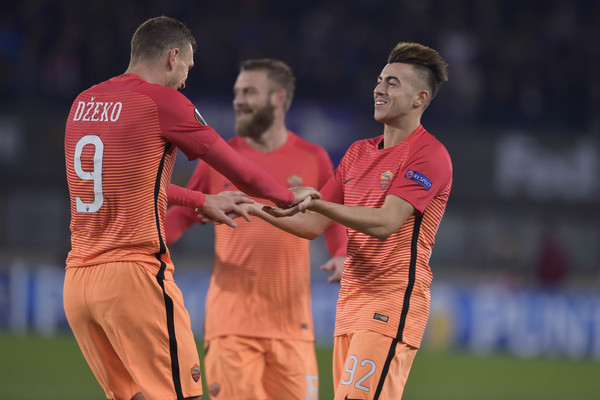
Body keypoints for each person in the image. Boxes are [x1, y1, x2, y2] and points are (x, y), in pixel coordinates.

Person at [63, 17, 318, 400]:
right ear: (172, 57)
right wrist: (287, 198)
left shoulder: (84, 102)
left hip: (77, 281)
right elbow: (239, 170)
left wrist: (201, 200)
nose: (185, 79)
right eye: (187, 66)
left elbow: (132, 185)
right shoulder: (163, 101)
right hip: (133, 277)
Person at [237, 42, 452, 399]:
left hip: (392, 301)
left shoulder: (429, 154)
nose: (379, 89)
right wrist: (251, 206)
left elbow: (386, 223)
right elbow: (310, 225)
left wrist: (318, 203)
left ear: (420, 98)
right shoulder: (357, 153)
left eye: (393, 83)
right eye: (380, 80)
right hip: (351, 302)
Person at [165, 58, 347, 400]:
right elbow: (184, 215)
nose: (238, 101)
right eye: (236, 92)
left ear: (278, 98)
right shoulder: (221, 158)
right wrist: (148, 238)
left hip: (293, 327)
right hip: (232, 326)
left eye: (248, 92)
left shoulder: (314, 158)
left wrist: (340, 253)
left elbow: (331, 217)